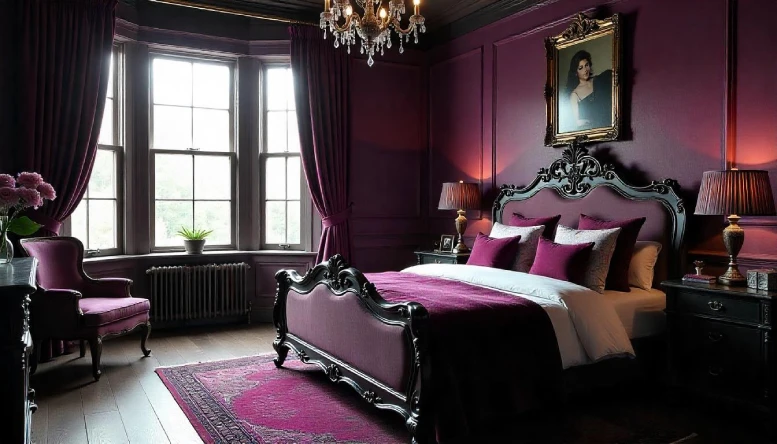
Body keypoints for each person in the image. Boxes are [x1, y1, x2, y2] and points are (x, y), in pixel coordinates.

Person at [563, 50, 612, 131]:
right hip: (596, 130)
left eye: (586, 65)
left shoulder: (600, 79)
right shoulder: (575, 95)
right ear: (576, 72)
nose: (585, 70)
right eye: (580, 68)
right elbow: (577, 122)